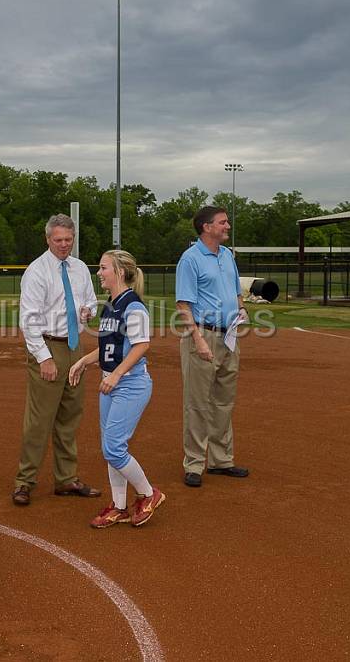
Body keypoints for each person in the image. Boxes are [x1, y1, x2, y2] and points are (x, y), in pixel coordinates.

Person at [68, 250, 164, 528]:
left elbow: (141, 345)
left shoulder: (133, 306)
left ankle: (148, 494)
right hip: (111, 382)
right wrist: (83, 362)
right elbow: (108, 347)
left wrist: (117, 374)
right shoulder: (112, 305)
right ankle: (120, 506)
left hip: (130, 383)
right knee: (113, 448)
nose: (99, 273)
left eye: (103, 268)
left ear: (119, 272)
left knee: (113, 449)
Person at [12, 214, 101, 506]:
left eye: (68, 239)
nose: (64, 245)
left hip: (75, 348)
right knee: (39, 420)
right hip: (48, 348)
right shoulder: (37, 271)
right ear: (48, 239)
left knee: (69, 417)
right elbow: (29, 320)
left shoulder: (80, 269)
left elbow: (90, 301)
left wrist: (88, 310)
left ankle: (66, 479)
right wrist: (43, 359)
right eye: (58, 240)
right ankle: (25, 481)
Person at [175, 205, 251, 488]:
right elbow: (183, 304)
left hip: (229, 336)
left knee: (223, 400)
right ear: (206, 227)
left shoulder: (227, 257)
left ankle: (221, 460)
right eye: (223, 222)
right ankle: (194, 463)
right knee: (197, 403)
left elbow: (235, 291)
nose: (227, 226)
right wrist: (197, 341)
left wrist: (241, 309)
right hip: (202, 336)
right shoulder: (191, 259)